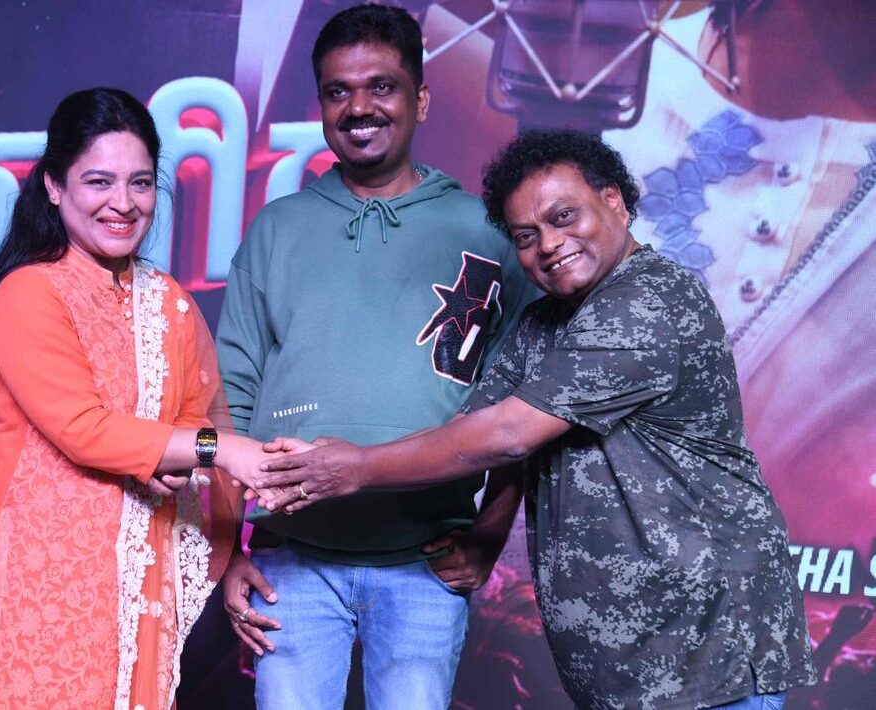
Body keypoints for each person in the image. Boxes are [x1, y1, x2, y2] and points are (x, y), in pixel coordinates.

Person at [252, 129, 819, 709]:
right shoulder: (545, 321)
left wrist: (354, 469)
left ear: (615, 201)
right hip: (626, 666)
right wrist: (313, 468)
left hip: (707, 649)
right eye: (526, 236)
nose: (549, 244)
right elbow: (466, 430)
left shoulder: (650, 300)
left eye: (564, 217)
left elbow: (508, 435)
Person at [213, 5, 535, 709]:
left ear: (421, 99)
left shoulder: (483, 230)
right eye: (338, 91)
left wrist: (489, 533)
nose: (359, 107)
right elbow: (231, 393)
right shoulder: (278, 227)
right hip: (289, 562)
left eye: (381, 86)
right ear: (321, 105)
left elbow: (523, 404)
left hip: (426, 562)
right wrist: (228, 550)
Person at [0, 88, 270, 710]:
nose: (123, 203)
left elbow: (195, 417)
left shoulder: (169, 302)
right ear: (54, 187)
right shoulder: (28, 293)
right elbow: (83, 427)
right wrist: (211, 450)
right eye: (99, 181)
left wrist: (182, 470)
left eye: (140, 183)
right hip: (31, 575)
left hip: (133, 585)